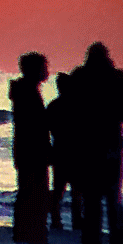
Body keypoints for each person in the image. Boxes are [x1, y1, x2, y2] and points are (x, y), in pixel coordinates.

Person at [68, 42, 123, 244]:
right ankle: (117, 241)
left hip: (86, 144)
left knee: (91, 197)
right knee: (113, 197)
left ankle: (91, 241)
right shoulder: (118, 80)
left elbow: (71, 112)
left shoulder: (79, 79)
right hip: (110, 142)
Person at [8, 51, 50, 244]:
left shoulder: (26, 91)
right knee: (33, 193)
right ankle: (30, 234)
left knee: (29, 192)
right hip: (31, 151)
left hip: (26, 149)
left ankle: (26, 233)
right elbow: (33, 127)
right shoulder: (28, 93)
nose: (46, 71)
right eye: (43, 67)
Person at [47, 72, 78, 232]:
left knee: (58, 189)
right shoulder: (77, 106)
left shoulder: (53, 106)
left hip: (58, 150)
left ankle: (56, 220)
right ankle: (77, 222)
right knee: (76, 190)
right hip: (73, 152)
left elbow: (46, 130)